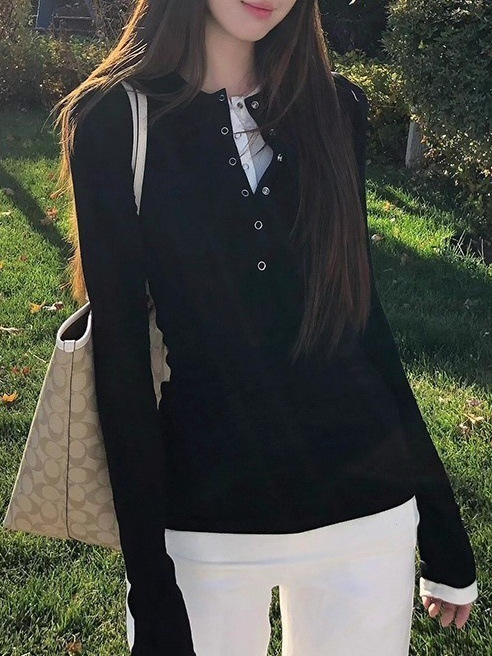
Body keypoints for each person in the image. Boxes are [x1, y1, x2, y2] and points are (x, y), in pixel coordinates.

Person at [53, 1, 478, 654]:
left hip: (367, 520)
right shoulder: (114, 120)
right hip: (204, 528)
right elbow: (121, 363)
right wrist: (150, 588)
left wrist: (440, 523)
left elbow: (362, 323)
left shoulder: (336, 108)